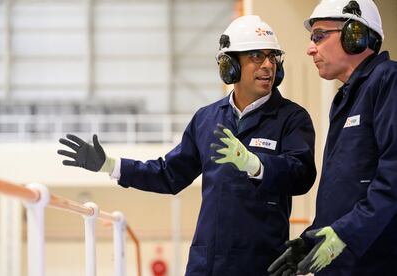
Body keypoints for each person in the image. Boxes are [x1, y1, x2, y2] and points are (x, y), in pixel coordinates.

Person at [58, 15, 316, 275]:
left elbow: (302, 175)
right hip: (206, 265)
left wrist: (255, 164)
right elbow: (169, 175)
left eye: (273, 57)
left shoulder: (291, 118)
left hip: (262, 265)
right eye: (257, 56)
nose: (268, 66)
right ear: (231, 66)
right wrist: (111, 165)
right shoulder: (207, 119)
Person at [268, 0, 397, 275]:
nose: (310, 48)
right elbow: (344, 189)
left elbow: (394, 178)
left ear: (355, 36)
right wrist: (312, 240)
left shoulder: (388, 81)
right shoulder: (348, 97)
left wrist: (346, 234)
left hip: (376, 261)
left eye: (319, 36)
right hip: (346, 263)